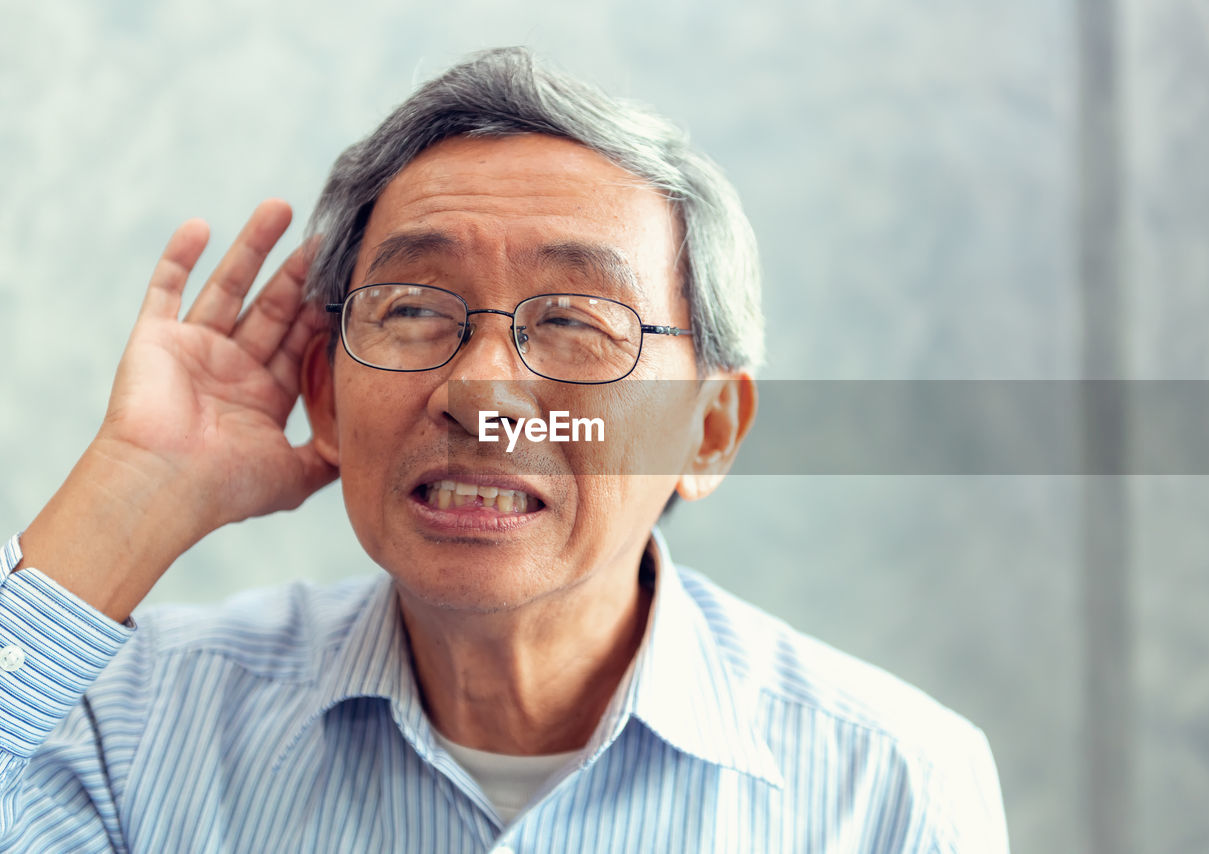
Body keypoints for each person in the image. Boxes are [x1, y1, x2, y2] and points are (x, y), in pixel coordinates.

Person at [0, 48, 1008, 852]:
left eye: (575, 318)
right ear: (328, 399)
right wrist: (131, 491)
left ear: (708, 429)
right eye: (411, 307)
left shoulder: (886, 783)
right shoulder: (137, 727)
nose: (480, 390)